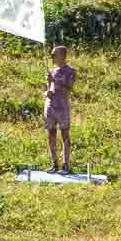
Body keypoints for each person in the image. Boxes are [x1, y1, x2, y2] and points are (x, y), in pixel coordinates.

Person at [43, 43, 76, 173]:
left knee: (65, 135)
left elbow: (68, 89)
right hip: (50, 107)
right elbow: (50, 89)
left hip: (62, 108)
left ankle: (66, 165)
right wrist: (47, 91)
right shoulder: (53, 70)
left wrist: (54, 81)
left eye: (54, 54)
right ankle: (54, 164)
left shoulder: (71, 71)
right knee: (51, 135)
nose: (52, 56)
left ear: (62, 55)